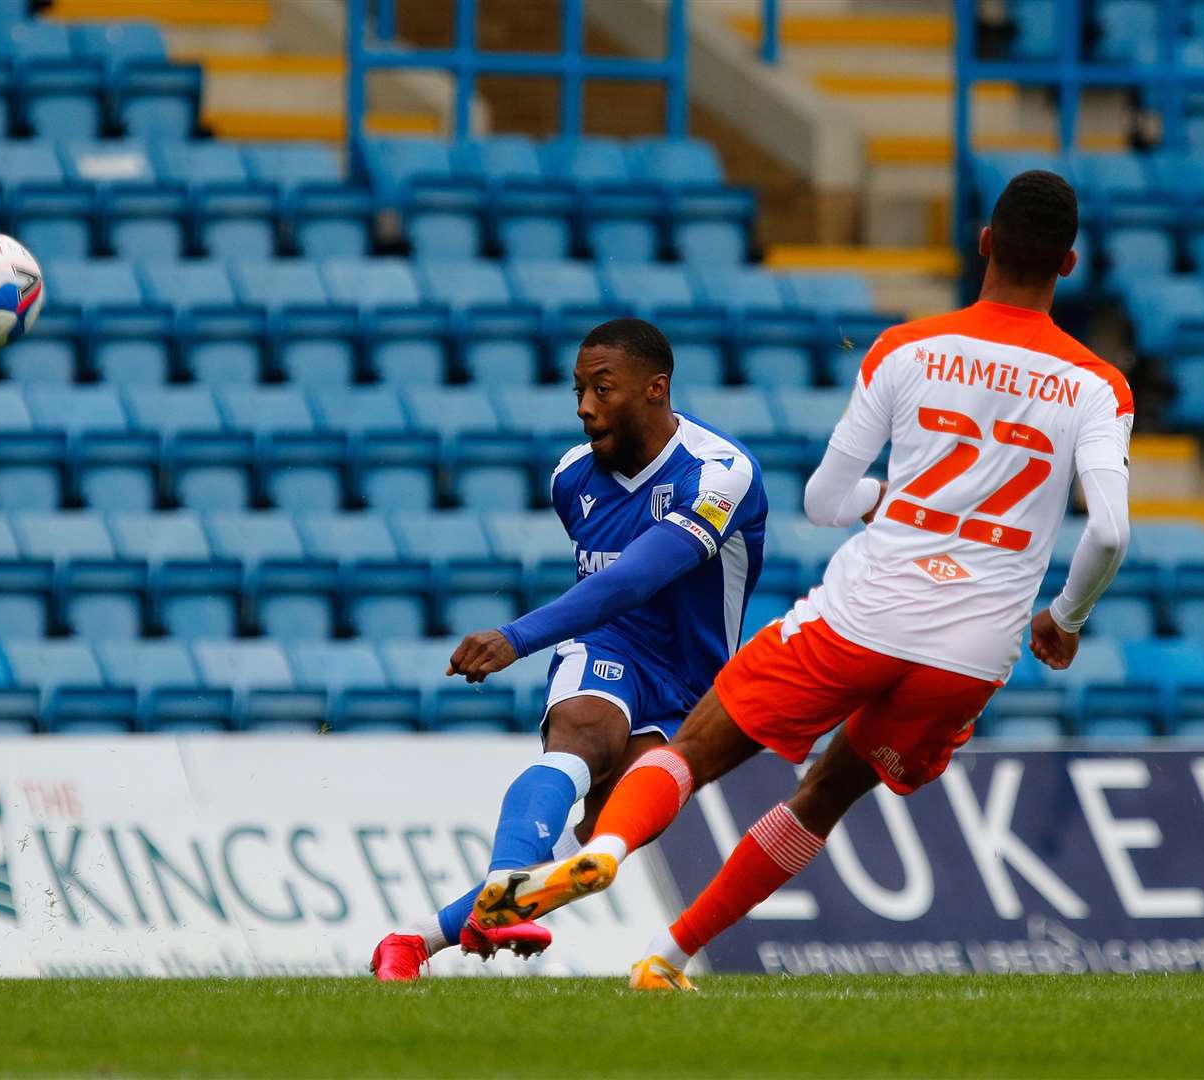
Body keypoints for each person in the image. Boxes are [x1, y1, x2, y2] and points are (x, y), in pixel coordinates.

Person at [471, 170, 1134, 991]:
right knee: (824, 797)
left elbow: (825, 500)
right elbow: (1108, 530)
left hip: (865, 611)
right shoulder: (1097, 384)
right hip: (975, 644)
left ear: (985, 243)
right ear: (1070, 264)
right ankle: (671, 957)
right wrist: (1065, 615)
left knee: (692, 751)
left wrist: (881, 500)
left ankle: (605, 849)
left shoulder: (906, 349)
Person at [370, 317, 769, 980]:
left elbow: (636, 576)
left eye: (602, 390)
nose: (584, 408)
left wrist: (515, 637)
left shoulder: (720, 473)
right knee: (582, 735)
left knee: (594, 841)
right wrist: (536, 640)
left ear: (654, 389)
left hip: (693, 684)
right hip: (609, 644)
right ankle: (504, 887)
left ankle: (412, 940)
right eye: (578, 390)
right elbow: (613, 600)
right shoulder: (572, 479)